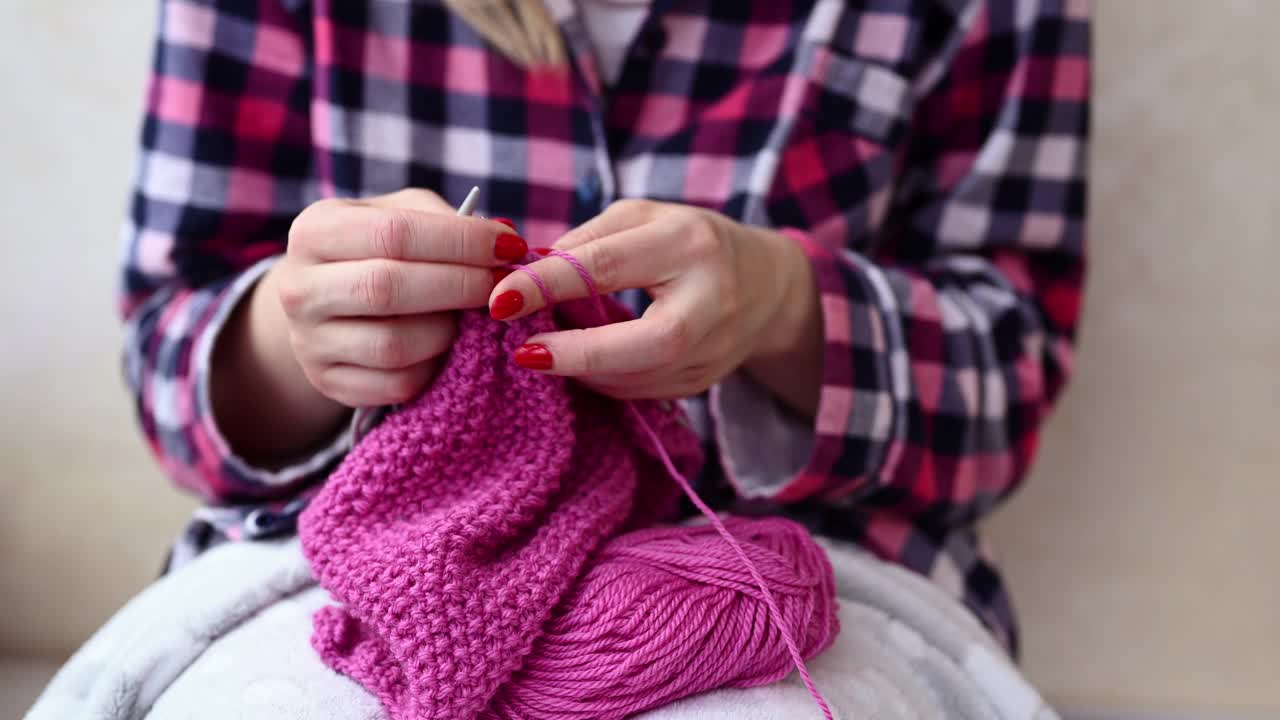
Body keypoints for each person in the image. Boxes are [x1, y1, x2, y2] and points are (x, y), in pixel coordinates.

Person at [109, 0, 1085, 714]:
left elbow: (1007, 391)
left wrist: (787, 303)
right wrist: (296, 337)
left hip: (797, 562)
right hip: (331, 558)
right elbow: (165, 356)